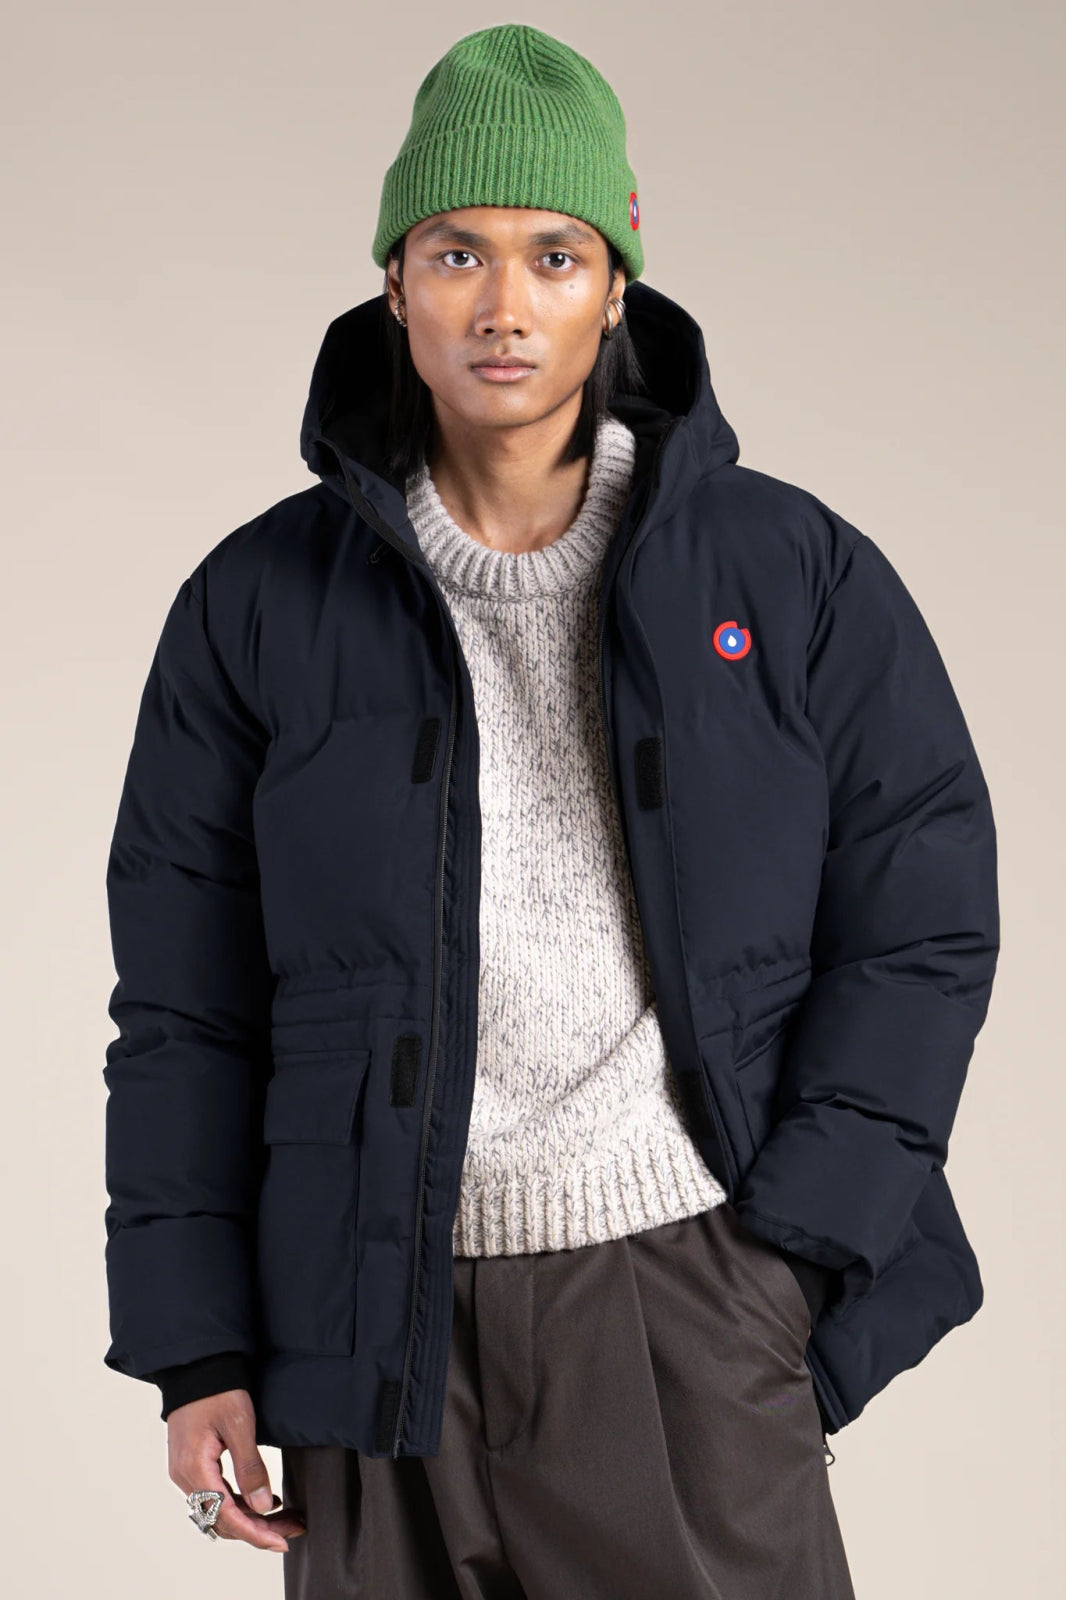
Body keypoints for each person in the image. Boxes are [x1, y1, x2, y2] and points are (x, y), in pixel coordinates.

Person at [101, 21, 999, 1599]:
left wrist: (791, 1260)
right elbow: (187, 1005)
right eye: (455, 252)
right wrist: (198, 1346)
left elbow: (920, 923)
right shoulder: (254, 606)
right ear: (394, 284)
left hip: (682, 1294)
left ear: (616, 288)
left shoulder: (789, 574)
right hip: (368, 1323)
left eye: (554, 255)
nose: (503, 305)